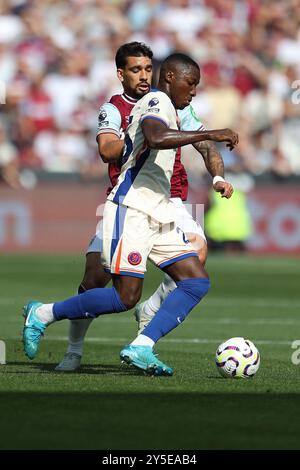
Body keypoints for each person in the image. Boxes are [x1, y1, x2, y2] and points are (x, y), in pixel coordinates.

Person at [22, 53, 238, 376]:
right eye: (190, 84)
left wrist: (216, 167)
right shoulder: (156, 101)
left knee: (195, 281)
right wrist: (209, 133)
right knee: (124, 297)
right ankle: (43, 314)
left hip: (161, 209)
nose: (193, 92)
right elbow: (154, 137)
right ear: (170, 79)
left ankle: (142, 345)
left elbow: (190, 144)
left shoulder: (174, 108)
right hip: (132, 208)